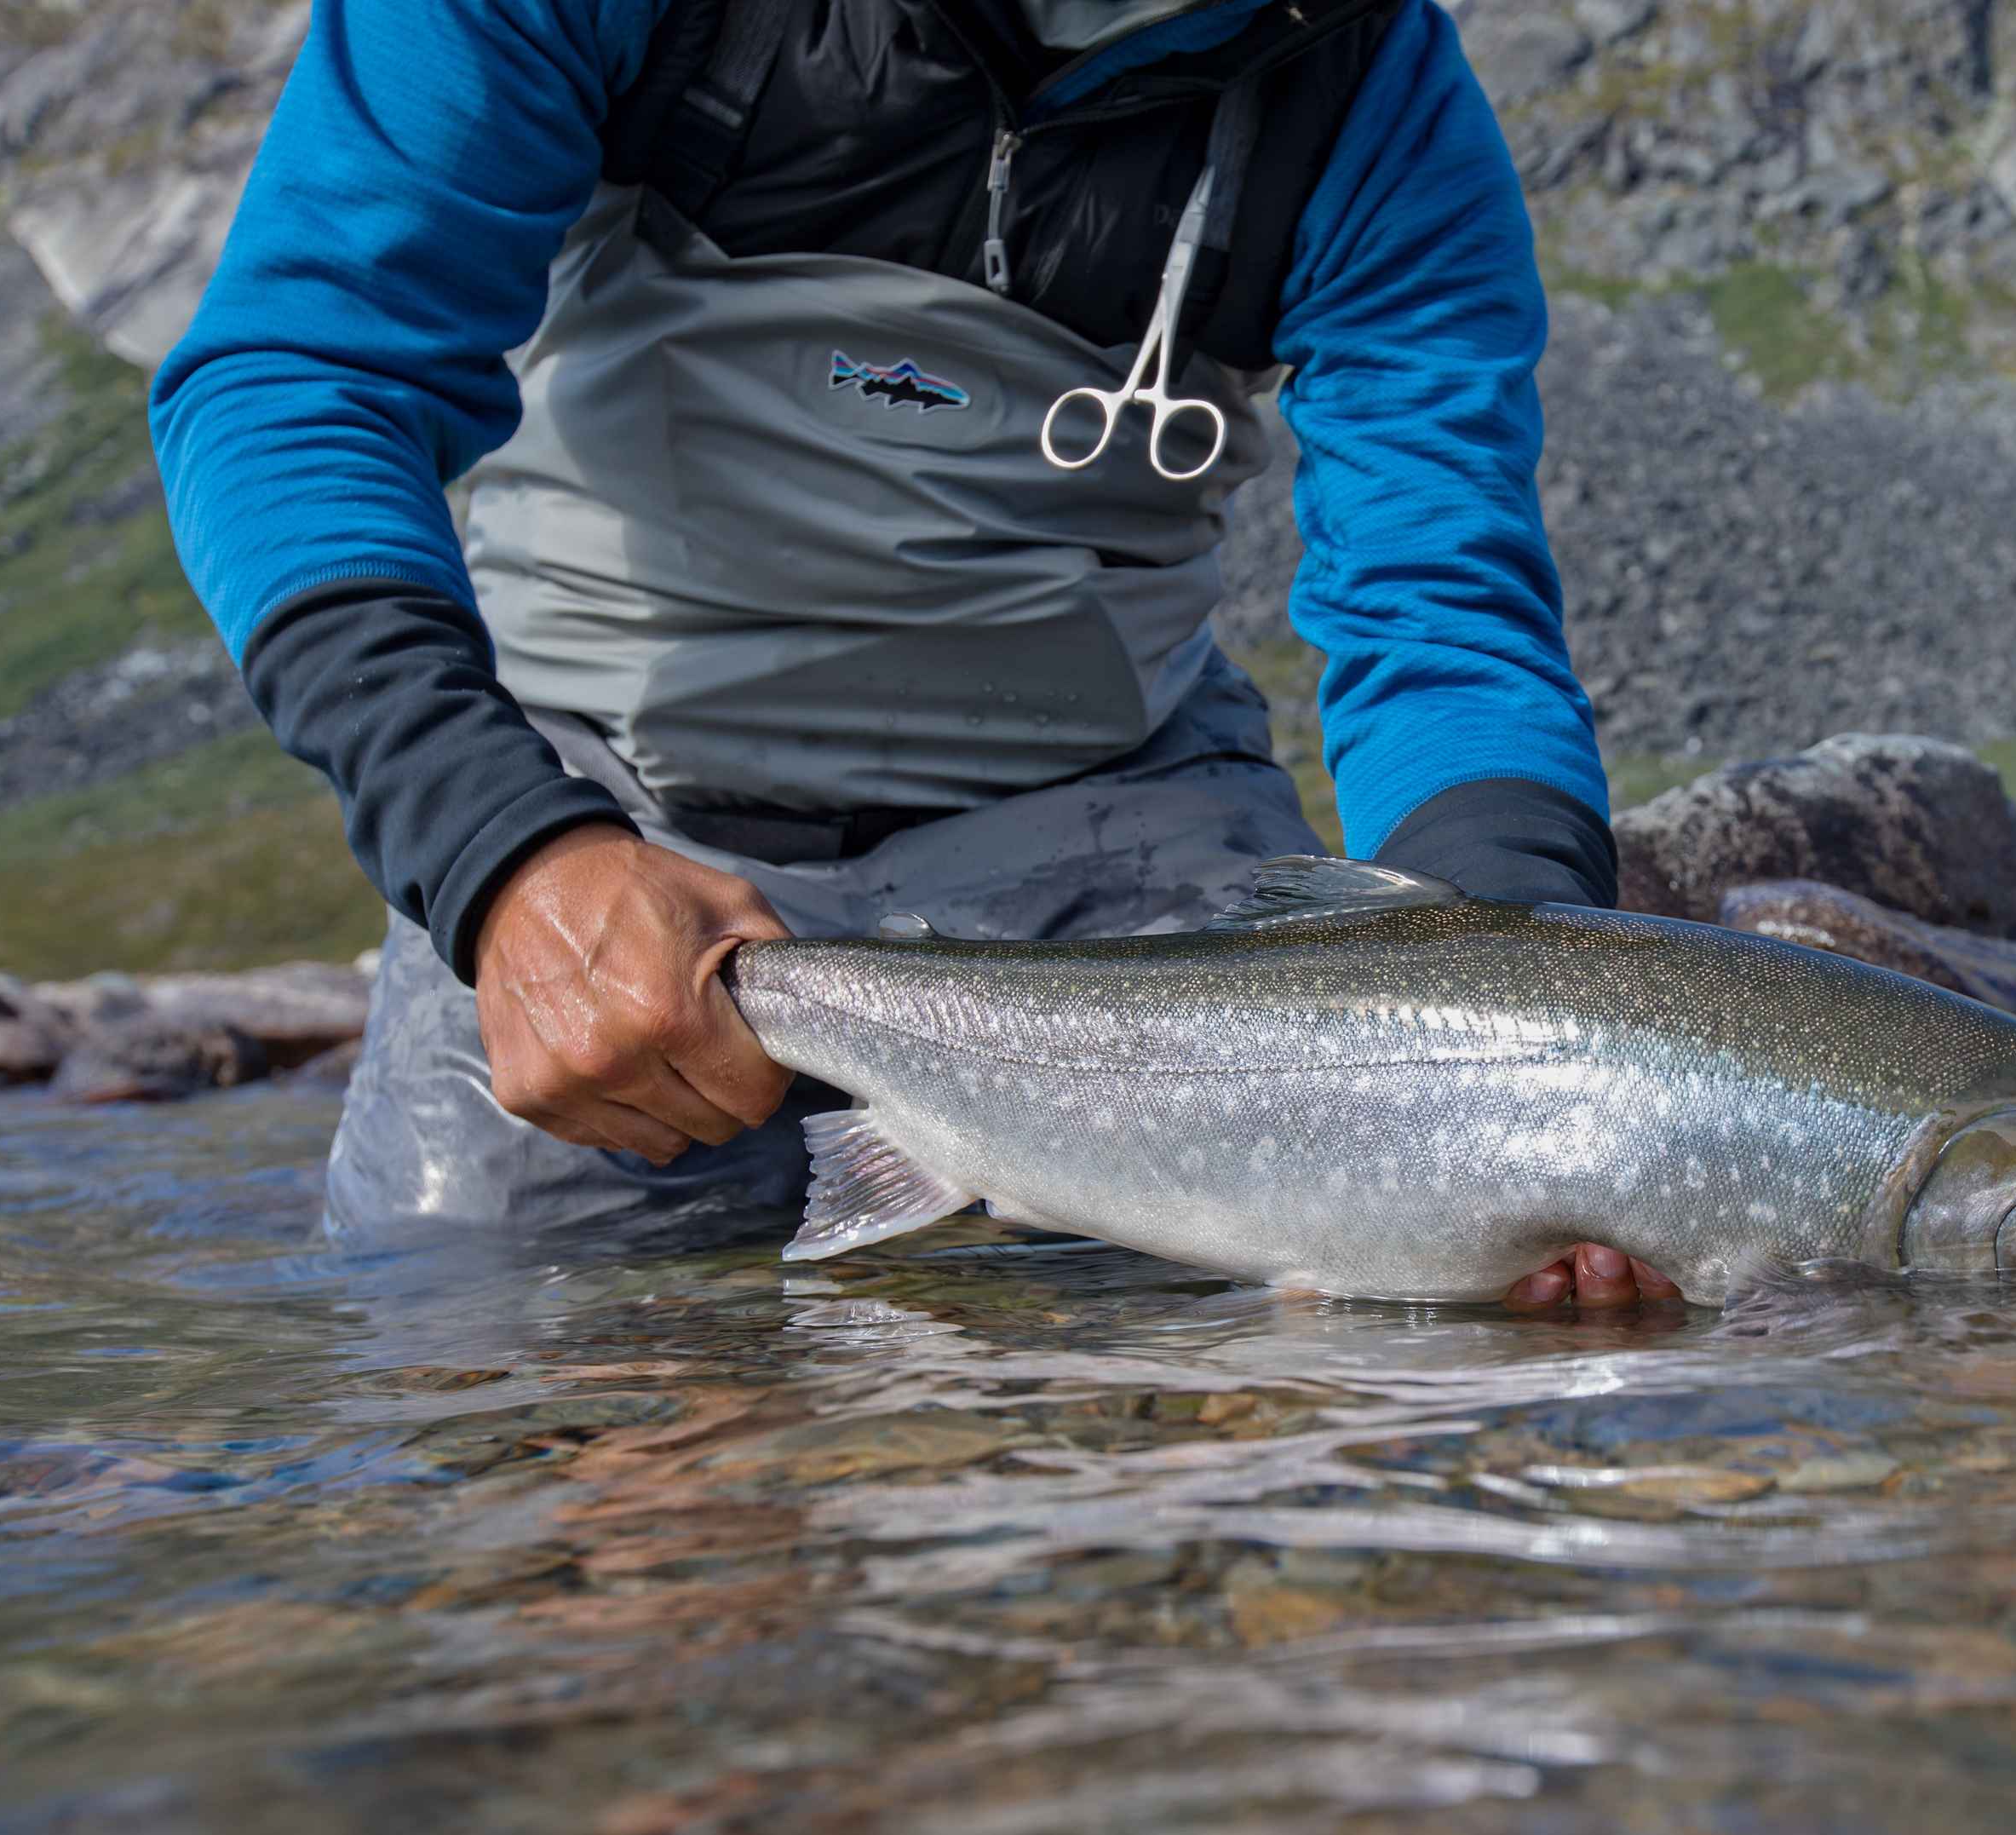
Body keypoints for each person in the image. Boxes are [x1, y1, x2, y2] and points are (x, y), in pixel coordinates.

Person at [152, 0, 1675, 1310]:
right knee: (490, 1397)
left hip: (1116, 833)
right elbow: (296, 378)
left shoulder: (1375, 91)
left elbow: (1443, 616)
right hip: (594, 817)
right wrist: (500, 856)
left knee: (1313, 1394)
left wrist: (1541, 1065)